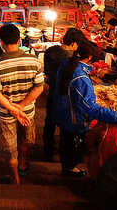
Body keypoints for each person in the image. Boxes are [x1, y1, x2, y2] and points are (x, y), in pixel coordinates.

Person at [52, 39, 117, 177]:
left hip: (62, 114)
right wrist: (116, 116)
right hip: (74, 119)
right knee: (86, 142)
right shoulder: (81, 78)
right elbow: (91, 107)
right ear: (89, 58)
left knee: (65, 142)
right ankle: (70, 167)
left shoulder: (66, 64)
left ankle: (66, 168)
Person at [0, 24, 44, 184]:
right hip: (27, 112)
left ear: (1, 42)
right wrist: (22, 106)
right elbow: (39, 88)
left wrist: (14, 109)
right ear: (20, 40)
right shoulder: (34, 61)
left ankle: (15, 179)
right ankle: (23, 165)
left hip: (6, 115)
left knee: (10, 150)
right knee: (25, 140)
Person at [42, 28, 86, 161]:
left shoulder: (49, 52)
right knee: (65, 128)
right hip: (64, 97)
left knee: (49, 123)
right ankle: (65, 157)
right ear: (73, 44)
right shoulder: (70, 59)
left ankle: (48, 151)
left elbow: (47, 74)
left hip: (51, 94)